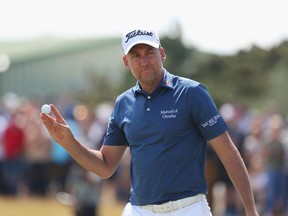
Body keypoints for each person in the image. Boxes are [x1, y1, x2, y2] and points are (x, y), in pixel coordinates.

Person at [40, 28, 259, 216]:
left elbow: (228, 152)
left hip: (188, 208)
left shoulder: (191, 93)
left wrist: (250, 210)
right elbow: (106, 167)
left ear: (161, 53)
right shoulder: (123, 103)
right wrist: (69, 142)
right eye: (135, 55)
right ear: (126, 62)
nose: (144, 61)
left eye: (149, 53)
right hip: (139, 210)